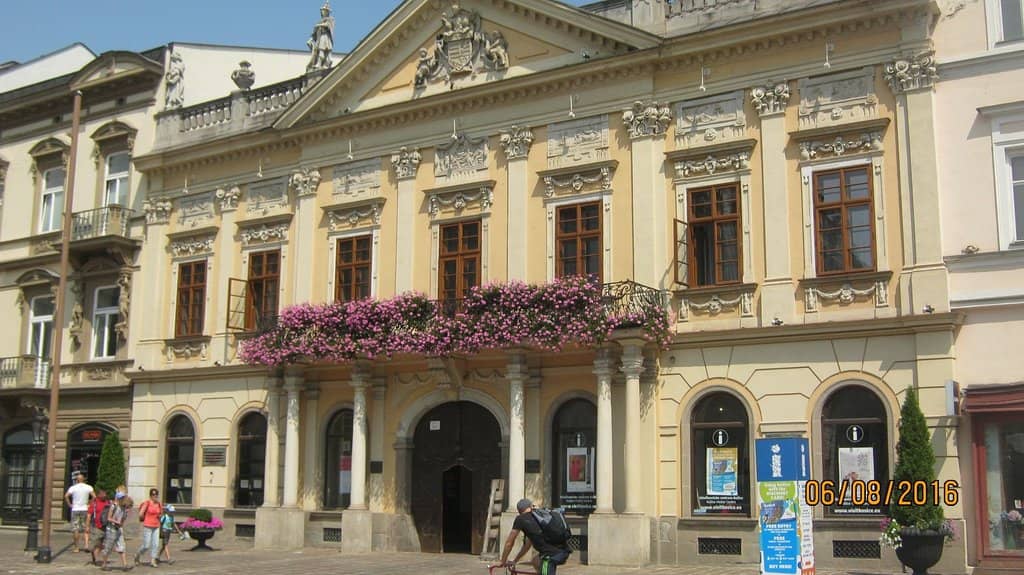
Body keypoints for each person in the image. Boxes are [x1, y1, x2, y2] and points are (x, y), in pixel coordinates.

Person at [497, 499, 571, 575]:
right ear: (530, 506)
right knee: (535, 561)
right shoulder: (539, 517)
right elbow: (527, 545)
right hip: (564, 551)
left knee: (543, 562)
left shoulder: (521, 519)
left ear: (519, 510)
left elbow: (509, 543)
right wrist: (515, 561)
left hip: (549, 556)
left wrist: (503, 561)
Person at [100, 493, 131, 572]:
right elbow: (109, 518)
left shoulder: (124, 508)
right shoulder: (114, 506)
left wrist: (124, 517)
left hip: (119, 529)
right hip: (111, 529)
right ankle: (104, 564)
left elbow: (123, 520)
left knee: (122, 546)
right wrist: (117, 522)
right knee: (108, 547)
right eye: (122, 498)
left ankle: (125, 565)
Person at [65, 471, 95, 553]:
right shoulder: (88, 487)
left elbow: (66, 496)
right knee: (86, 527)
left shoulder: (73, 488)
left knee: (75, 529)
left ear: (77, 480)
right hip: (85, 508)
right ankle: (86, 545)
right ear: (84, 480)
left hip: (75, 509)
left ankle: (76, 547)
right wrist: (89, 502)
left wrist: (70, 504)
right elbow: (94, 497)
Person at [134, 488, 163, 568]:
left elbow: (161, 513)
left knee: (156, 544)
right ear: (150, 495)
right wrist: (145, 517)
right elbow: (140, 514)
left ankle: (153, 560)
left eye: (156, 494)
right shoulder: (147, 503)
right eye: (153, 494)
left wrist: (160, 516)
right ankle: (137, 555)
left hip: (156, 526)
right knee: (146, 545)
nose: (155, 496)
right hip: (147, 525)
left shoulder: (159, 504)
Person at [87, 489, 111, 565]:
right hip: (97, 526)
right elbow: (89, 515)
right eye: (103, 494)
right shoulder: (94, 503)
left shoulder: (108, 502)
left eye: (105, 494)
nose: (104, 495)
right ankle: (92, 550)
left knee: (102, 544)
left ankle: (95, 557)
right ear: (98, 495)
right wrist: (87, 526)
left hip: (106, 526)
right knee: (96, 542)